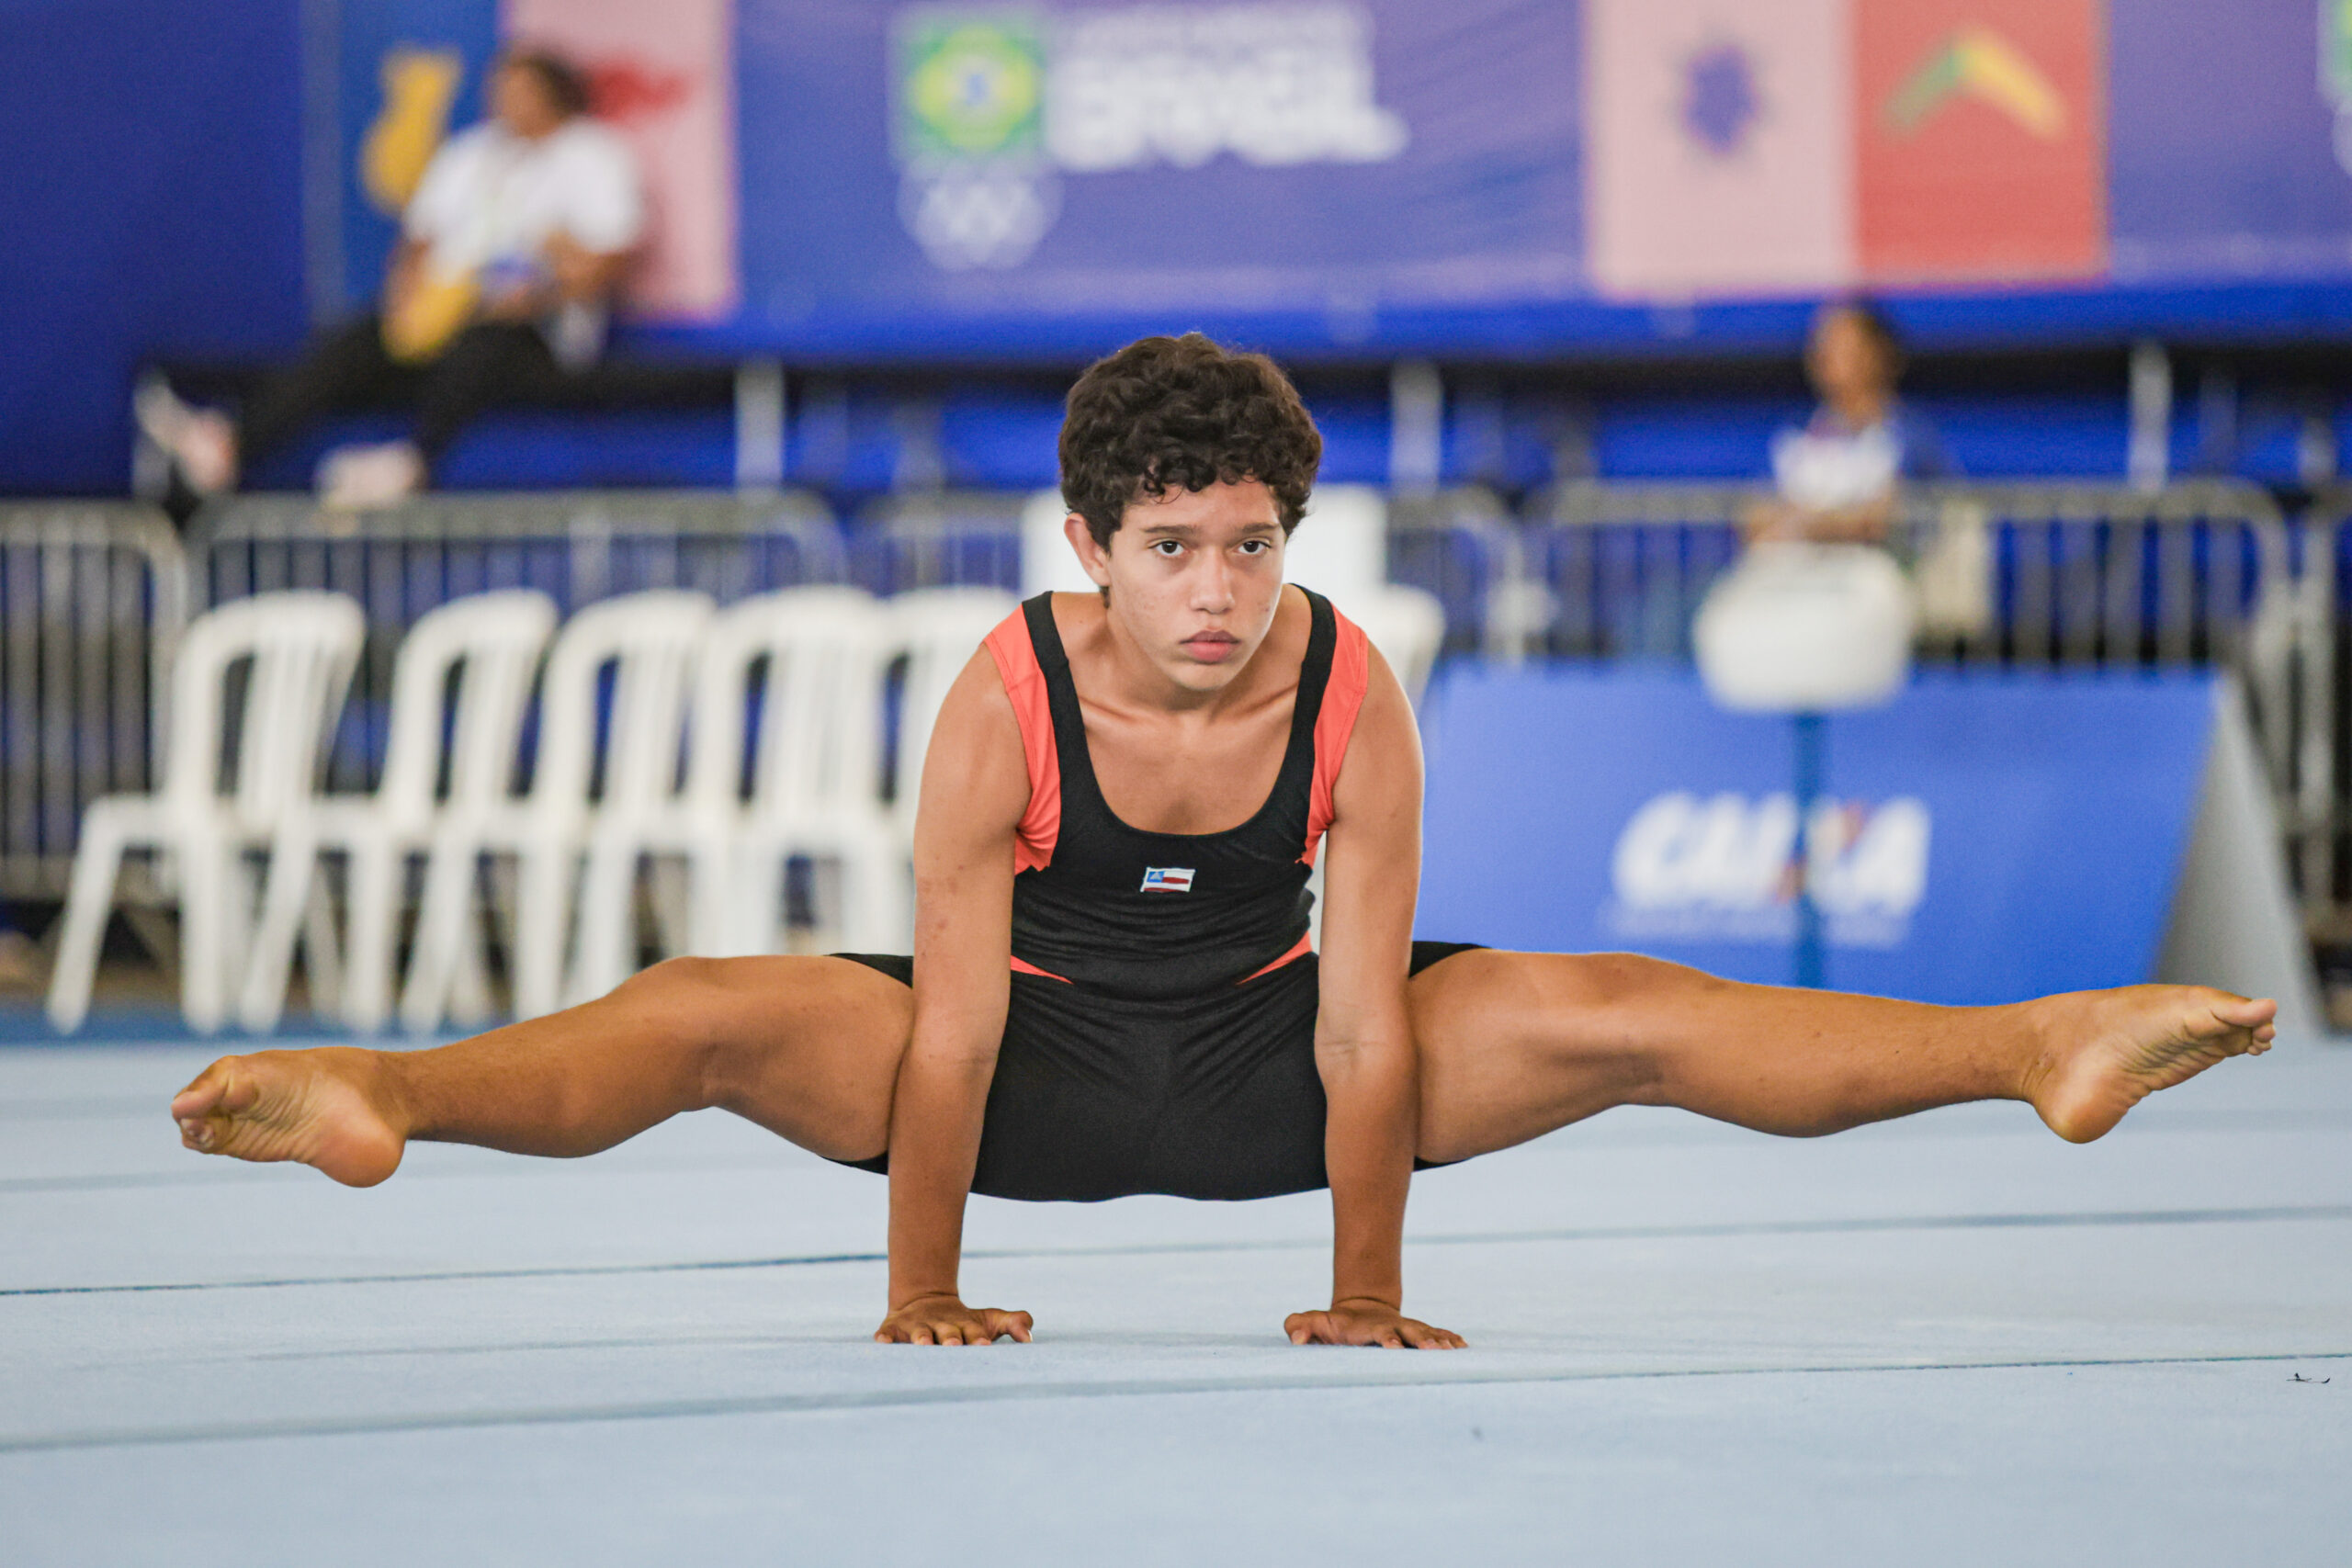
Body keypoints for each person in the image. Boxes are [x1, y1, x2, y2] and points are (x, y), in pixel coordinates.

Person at [166, 333, 2276, 1350]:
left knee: (1624, 1001)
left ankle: (2031, 1042)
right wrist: (925, 1285)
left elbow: (1371, 1025)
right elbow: (958, 1016)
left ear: (1293, 537)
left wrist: (1358, 1292)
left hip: (1282, 1060)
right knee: (721, 1002)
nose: (1216, 592)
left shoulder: (1349, 685)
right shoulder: (1002, 691)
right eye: (1170, 549)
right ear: (1085, 546)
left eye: (1251, 546)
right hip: (1011, 1079)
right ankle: (391, 1089)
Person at [137, 48, 643, 509]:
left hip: (530, 330)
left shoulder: (593, 155)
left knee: (484, 347)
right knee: (355, 342)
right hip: (442, 318)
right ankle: (230, 442)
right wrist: (411, 301)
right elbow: (419, 242)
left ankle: (413, 463)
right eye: (500, 89)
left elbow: (611, 256)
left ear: (555, 91)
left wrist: (538, 293)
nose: (506, 101)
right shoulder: (471, 153)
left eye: (521, 90)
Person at [1744, 299, 1950, 549]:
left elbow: (1881, 521)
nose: (1832, 360)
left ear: (1879, 355)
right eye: (1825, 349)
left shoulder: (1910, 436)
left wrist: (1805, 522)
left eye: (1847, 349)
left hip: (1876, 577)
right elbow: (1758, 518)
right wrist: (1837, 523)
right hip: (1791, 573)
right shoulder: (1794, 433)